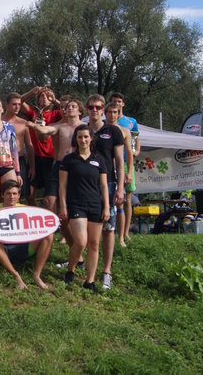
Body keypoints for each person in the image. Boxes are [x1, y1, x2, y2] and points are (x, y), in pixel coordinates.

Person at [26, 99, 84, 254]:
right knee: (49, 200)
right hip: (59, 165)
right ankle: (48, 235)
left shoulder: (85, 128)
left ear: (80, 111)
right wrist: (33, 125)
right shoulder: (60, 126)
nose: (69, 108)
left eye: (73, 106)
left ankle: (74, 246)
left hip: (77, 168)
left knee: (70, 210)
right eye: (67, 106)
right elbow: (45, 132)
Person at [59, 124, 110, 293]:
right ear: (76, 139)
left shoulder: (99, 160)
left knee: (94, 244)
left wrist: (107, 206)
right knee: (81, 242)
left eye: (86, 137)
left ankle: (90, 281)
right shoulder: (69, 160)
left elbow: (103, 185)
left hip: (95, 205)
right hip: (76, 205)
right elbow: (62, 185)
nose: (83, 140)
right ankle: (71, 269)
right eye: (80, 137)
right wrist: (63, 205)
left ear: (91, 139)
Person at [0, 180, 54, 289]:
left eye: (14, 194)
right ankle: (16, 275)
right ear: (2, 195)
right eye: (8, 193)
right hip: (2, 249)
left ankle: (36, 275)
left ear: (19, 196)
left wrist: (52, 225)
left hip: (23, 248)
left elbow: (38, 226)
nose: (11, 197)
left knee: (49, 235)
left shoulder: (25, 209)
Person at [87, 94, 125, 290]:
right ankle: (83, 264)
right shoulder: (83, 130)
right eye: (91, 106)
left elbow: (119, 161)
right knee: (87, 228)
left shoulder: (113, 131)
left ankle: (107, 271)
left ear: (103, 109)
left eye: (98, 107)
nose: (94, 110)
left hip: (108, 183)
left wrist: (120, 188)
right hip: (86, 184)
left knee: (108, 229)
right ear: (87, 109)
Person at [20, 86, 62, 206]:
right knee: (29, 193)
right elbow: (19, 102)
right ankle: (36, 217)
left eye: (47, 96)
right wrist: (31, 92)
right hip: (34, 158)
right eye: (41, 96)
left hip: (50, 158)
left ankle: (52, 221)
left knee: (50, 197)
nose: (44, 97)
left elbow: (68, 109)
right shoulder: (32, 114)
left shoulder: (56, 114)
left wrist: (55, 100)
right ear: (38, 100)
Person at [110, 92, 140, 246]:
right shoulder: (106, 121)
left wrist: (137, 151)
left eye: (119, 102)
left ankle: (126, 232)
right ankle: (112, 232)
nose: (117, 104)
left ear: (123, 104)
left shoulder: (130, 121)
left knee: (127, 198)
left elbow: (135, 140)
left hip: (126, 163)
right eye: (114, 102)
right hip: (110, 164)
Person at [105, 101, 133, 247]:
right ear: (105, 113)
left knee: (120, 202)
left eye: (115, 112)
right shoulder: (101, 128)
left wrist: (129, 172)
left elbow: (129, 152)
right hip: (106, 168)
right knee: (107, 204)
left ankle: (121, 237)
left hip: (120, 167)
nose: (112, 115)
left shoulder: (125, 131)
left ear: (118, 113)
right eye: (109, 112)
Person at [2, 93, 35, 200]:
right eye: (14, 104)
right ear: (6, 105)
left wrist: (32, 166)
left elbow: (29, 145)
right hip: (1, 160)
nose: (17, 107)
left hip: (19, 161)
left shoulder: (23, 123)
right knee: (2, 194)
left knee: (21, 194)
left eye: (19, 104)